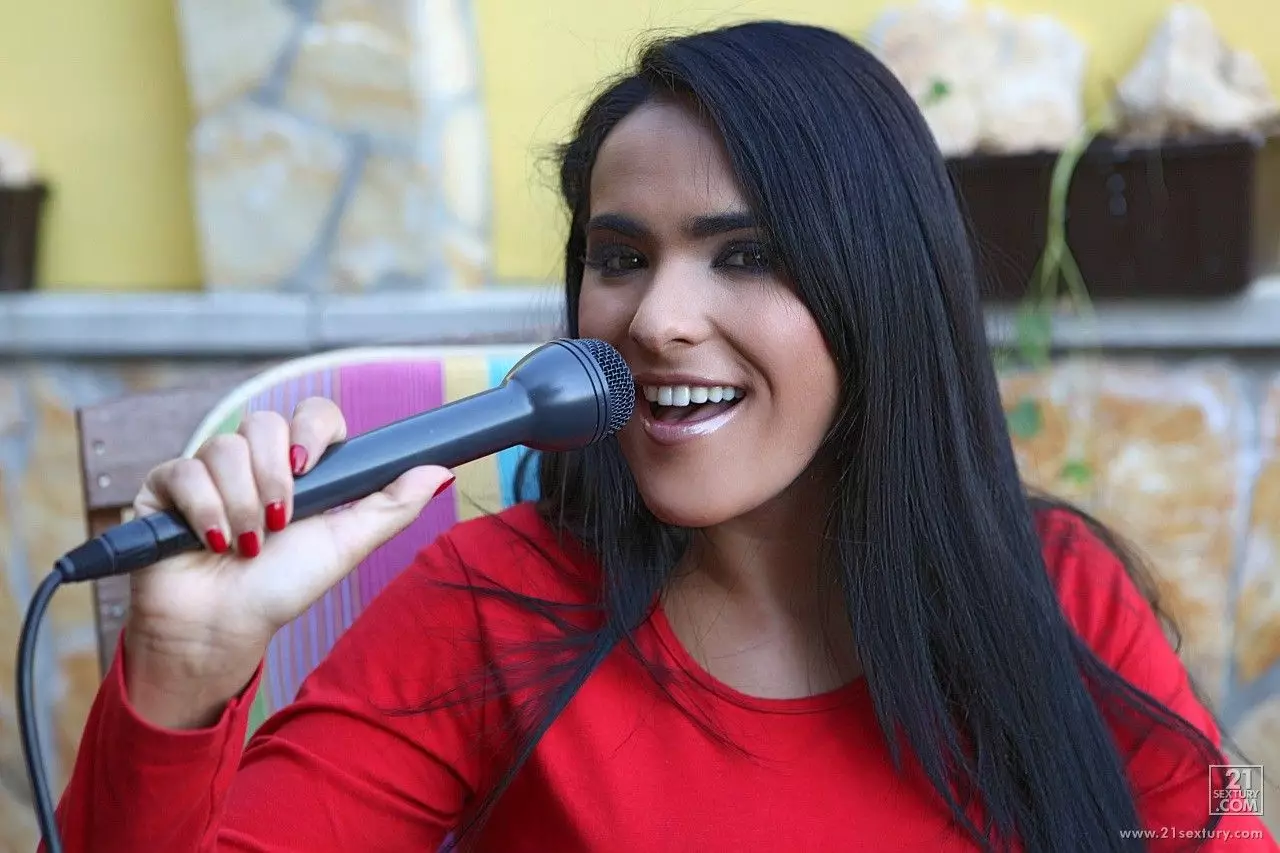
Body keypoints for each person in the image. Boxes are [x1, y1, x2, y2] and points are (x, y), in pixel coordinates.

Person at [45, 20, 1276, 853]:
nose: (654, 319)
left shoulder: (1058, 589)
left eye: (745, 255)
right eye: (620, 258)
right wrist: (183, 664)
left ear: (881, 296)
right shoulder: (492, 605)